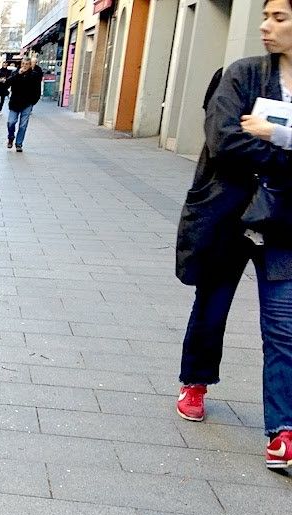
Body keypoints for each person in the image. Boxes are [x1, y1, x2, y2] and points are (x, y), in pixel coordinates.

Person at [174, 0, 292, 470]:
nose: (266, 25)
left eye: (279, 18)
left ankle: (282, 430)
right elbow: (223, 139)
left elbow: (248, 142)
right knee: (212, 306)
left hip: (283, 223)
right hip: (230, 214)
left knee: (283, 326)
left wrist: (275, 134)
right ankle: (195, 381)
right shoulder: (241, 74)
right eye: (265, 15)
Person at [4, 58, 43, 152]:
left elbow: (37, 90)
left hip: (27, 103)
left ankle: (19, 144)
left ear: (30, 65)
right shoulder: (16, 73)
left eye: (27, 64)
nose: (25, 66)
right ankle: (11, 137)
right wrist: (18, 74)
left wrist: (33, 102)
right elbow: (7, 84)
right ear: (21, 64)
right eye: (23, 64)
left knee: (23, 125)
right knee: (11, 122)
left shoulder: (34, 75)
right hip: (15, 102)